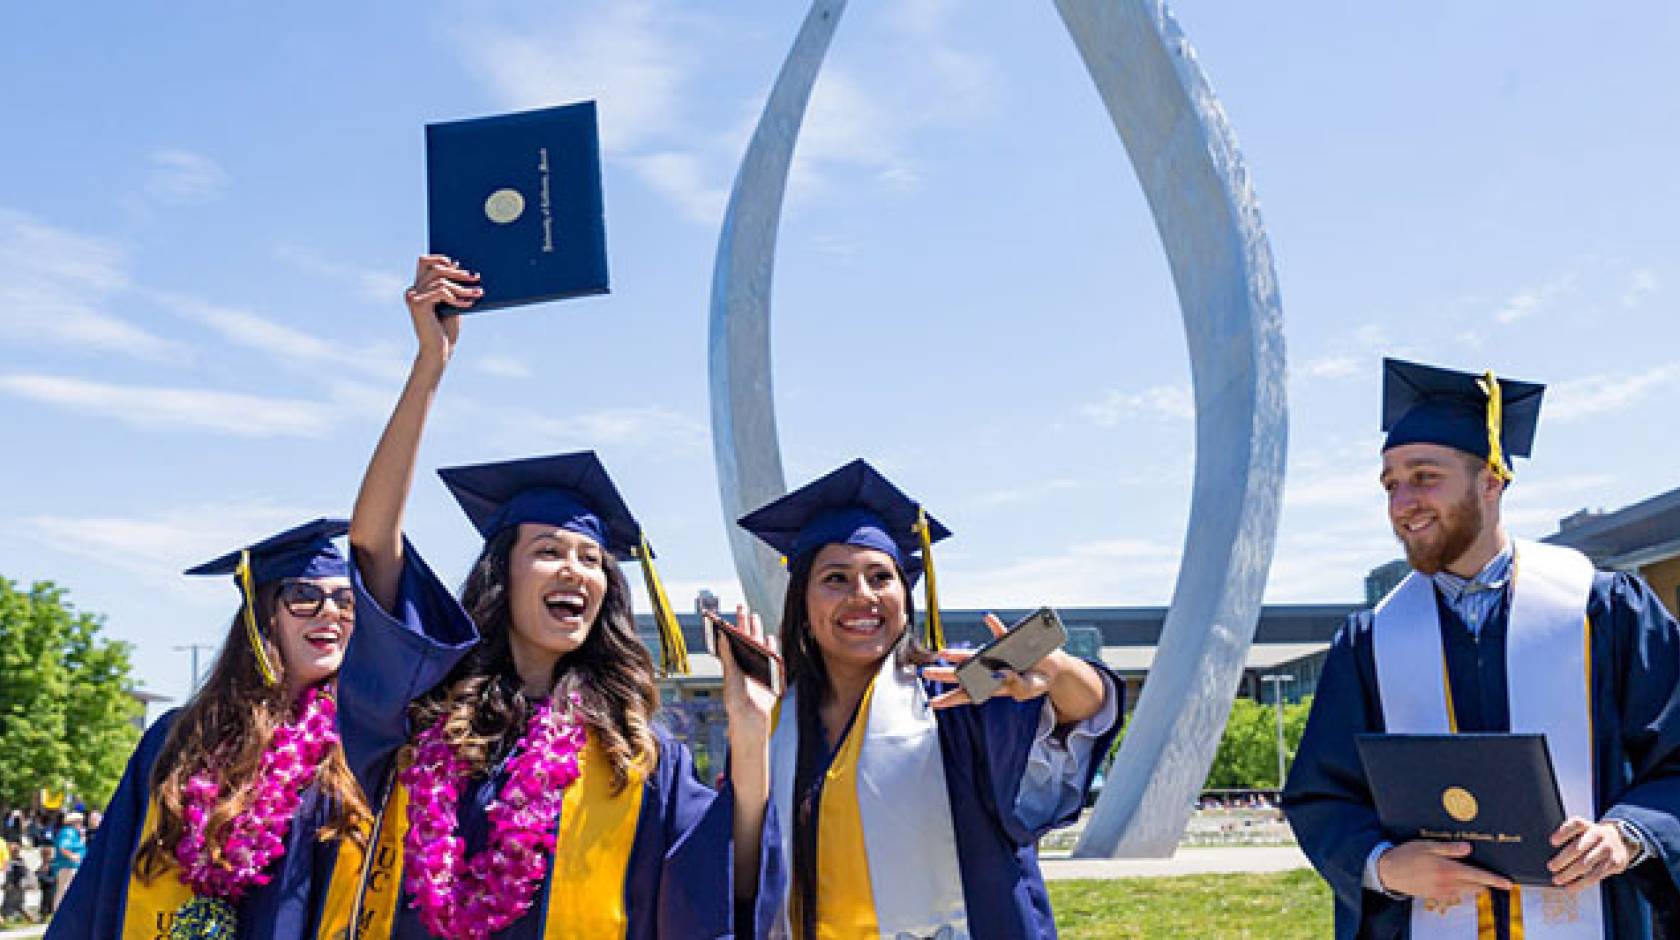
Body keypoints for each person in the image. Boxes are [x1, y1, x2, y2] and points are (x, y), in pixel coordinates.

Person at [331, 254, 783, 938]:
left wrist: (750, 745)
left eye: (591, 559)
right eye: (548, 552)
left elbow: (724, 890)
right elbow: (371, 548)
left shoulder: (635, 752)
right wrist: (430, 365)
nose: (575, 569)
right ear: (501, 576)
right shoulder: (422, 716)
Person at [1282, 358, 1680, 939]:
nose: (1402, 504)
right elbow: (1324, 793)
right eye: (1391, 485)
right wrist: (1384, 866)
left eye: (1424, 477)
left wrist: (1626, 834)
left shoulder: (1604, 610)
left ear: (1491, 482)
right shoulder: (1371, 640)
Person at [737, 459, 1121, 938]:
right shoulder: (776, 720)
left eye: (881, 577)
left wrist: (1057, 669)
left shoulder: (952, 691)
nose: (862, 595)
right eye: (835, 578)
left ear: (906, 594)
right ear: (803, 601)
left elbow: (1083, 710)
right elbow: (743, 871)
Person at [48, 519, 372, 939]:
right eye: (304, 595)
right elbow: (105, 881)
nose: (330, 612)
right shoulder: (180, 739)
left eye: (345, 600)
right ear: (263, 615)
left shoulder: (358, 743)